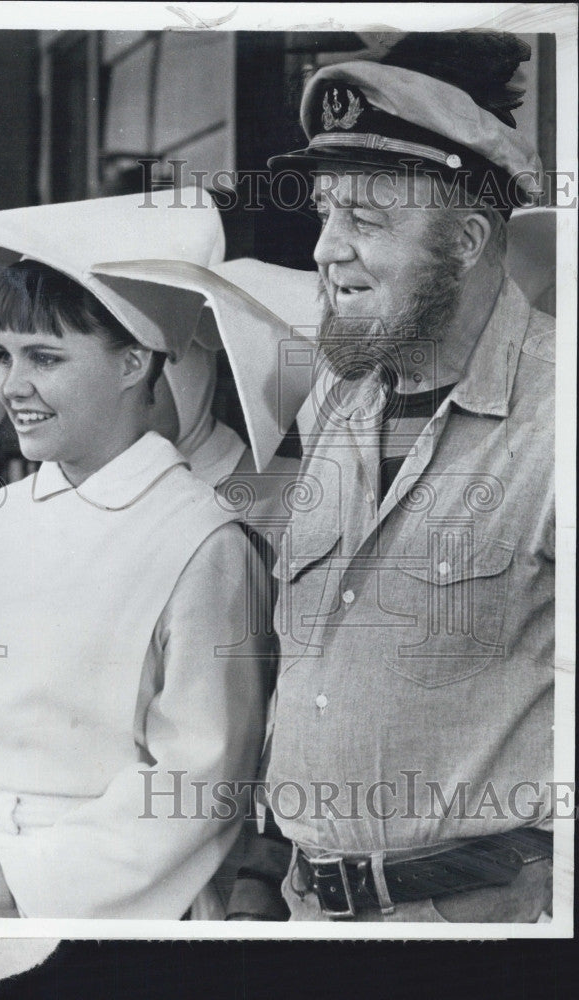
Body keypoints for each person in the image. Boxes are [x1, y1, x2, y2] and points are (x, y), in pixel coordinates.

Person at [248, 31, 556, 922]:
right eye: (324, 211)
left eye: (366, 219)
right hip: (309, 917)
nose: (324, 250)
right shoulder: (338, 409)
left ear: (466, 240)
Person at [0, 212, 271, 919]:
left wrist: (22, 876)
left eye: (45, 358)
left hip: (118, 912)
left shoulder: (203, 541)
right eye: (4, 356)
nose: (11, 386)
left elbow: (200, 782)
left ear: (134, 362)